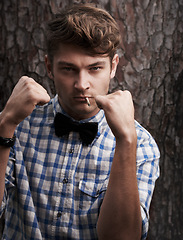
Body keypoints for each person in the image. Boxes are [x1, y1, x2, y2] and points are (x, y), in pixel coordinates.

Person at [0, 4, 160, 240]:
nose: (81, 84)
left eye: (95, 68)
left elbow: (122, 237)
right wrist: (4, 124)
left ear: (113, 66)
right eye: (68, 69)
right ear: (49, 67)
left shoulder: (141, 144)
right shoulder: (19, 125)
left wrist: (126, 142)